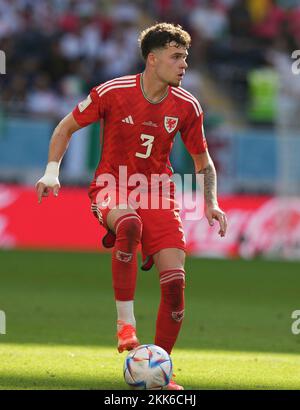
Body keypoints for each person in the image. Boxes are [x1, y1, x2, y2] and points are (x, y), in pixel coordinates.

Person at [36, 22, 227, 390]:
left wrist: (211, 202)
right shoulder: (113, 91)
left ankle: (158, 371)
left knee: (175, 287)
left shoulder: (187, 105)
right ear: (153, 60)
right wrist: (51, 172)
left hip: (159, 194)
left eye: (186, 57)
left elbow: (203, 162)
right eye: (176, 57)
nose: (184, 64)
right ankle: (126, 324)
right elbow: (64, 128)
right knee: (129, 226)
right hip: (113, 185)